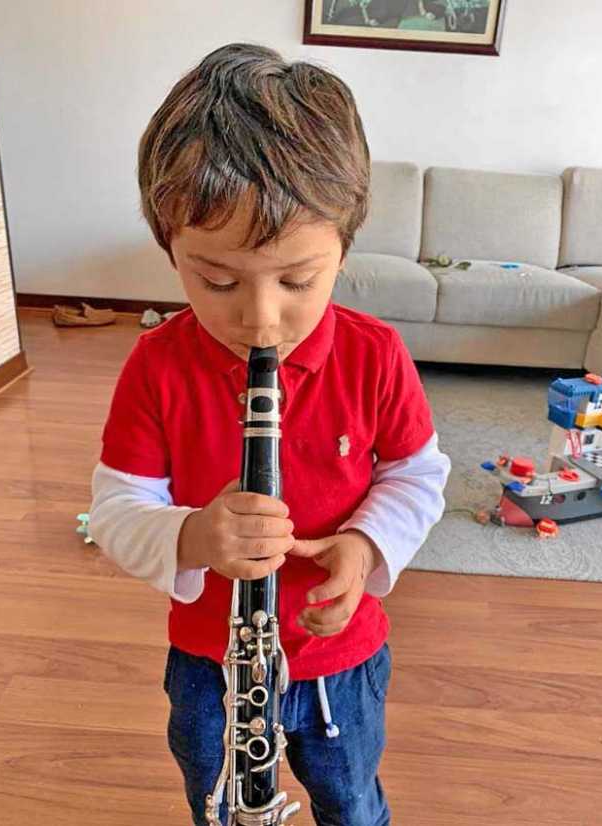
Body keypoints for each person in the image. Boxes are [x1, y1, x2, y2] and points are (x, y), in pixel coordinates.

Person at [89, 42, 451, 826]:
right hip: (210, 663)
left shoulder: (375, 354)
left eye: (297, 280)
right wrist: (191, 537)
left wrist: (364, 547)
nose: (259, 318)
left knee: (350, 799)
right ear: (169, 250)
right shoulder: (156, 366)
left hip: (339, 661)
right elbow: (116, 512)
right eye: (216, 280)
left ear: (344, 248)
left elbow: (418, 476)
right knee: (217, 801)